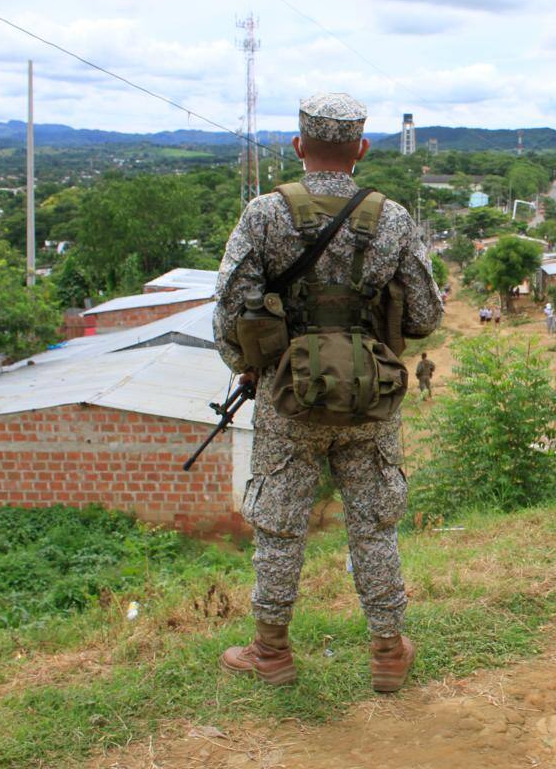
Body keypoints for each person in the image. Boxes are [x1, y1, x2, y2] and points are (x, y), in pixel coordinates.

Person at [213, 92, 443, 691]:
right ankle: (389, 651)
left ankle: (271, 652)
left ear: (298, 146)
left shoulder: (263, 214)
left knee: (280, 524)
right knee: (373, 524)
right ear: (361, 149)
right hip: (369, 397)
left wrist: (252, 367)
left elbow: (227, 314)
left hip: (288, 396)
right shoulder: (392, 218)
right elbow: (424, 314)